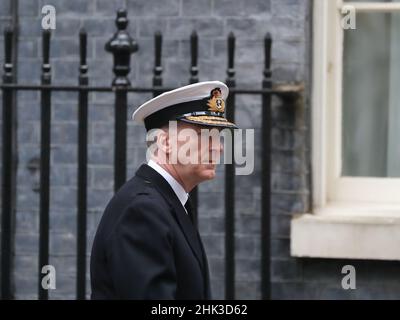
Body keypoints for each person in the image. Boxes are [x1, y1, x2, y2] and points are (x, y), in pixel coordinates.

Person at [90, 81, 237, 299]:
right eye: (204, 134)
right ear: (165, 142)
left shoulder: (166, 201)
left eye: (218, 136)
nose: (218, 147)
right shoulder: (143, 210)